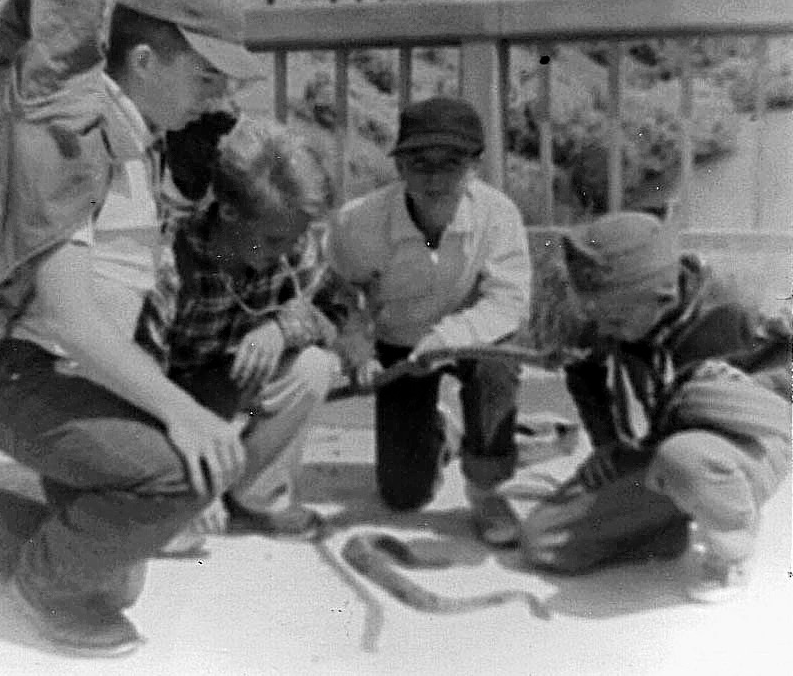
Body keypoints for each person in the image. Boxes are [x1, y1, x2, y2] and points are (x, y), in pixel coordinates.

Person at [0, 0, 269, 657]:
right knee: (179, 479)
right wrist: (183, 414)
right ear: (145, 61)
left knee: (117, 577)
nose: (217, 101)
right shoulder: (71, 143)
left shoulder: (132, 138)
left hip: (65, 376)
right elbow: (68, 320)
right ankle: (45, 588)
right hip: (20, 378)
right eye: (206, 78)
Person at [519, 212, 791, 602]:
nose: (604, 330)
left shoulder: (738, 316)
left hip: (750, 441)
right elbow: (584, 370)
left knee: (686, 460)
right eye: (596, 317)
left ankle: (732, 544)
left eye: (613, 320)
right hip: (668, 442)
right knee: (544, 541)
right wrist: (607, 443)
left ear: (662, 298)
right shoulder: (622, 306)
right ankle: (672, 520)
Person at [326, 96, 532, 545]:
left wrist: (445, 339)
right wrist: (357, 345)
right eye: (420, 163)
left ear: (475, 166)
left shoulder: (498, 215)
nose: (435, 177)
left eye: (451, 163)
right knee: (403, 496)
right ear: (399, 167)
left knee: (499, 363)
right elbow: (340, 294)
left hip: (471, 338)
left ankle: (487, 486)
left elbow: (508, 302)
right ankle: (440, 433)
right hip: (399, 345)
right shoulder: (358, 223)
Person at [141, 115, 350, 547]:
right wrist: (191, 487)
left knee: (313, 367)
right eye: (274, 241)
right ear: (230, 212)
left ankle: (255, 496)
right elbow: (140, 383)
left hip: (227, 392)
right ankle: (186, 492)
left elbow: (336, 313)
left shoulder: (290, 239)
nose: (289, 251)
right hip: (166, 406)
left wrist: (281, 328)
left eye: (296, 238)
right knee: (175, 537)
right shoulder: (170, 264)